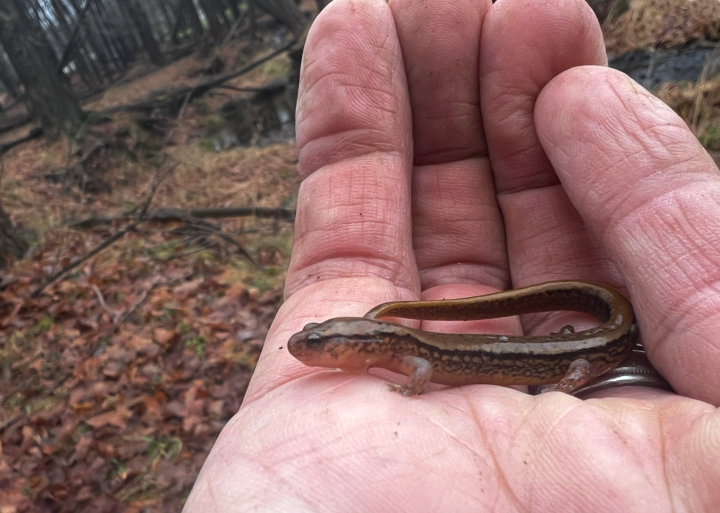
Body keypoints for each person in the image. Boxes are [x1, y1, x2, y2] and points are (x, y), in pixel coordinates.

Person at [184, 0, 720, 510]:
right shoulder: (386, 347)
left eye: (322, 341)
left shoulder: (400, 353)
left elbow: (420, 366)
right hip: (585, 343)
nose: (309, 346)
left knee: (576, 355)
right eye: (317, 339)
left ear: (356, 343)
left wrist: (559, 385)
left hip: (590, 352)